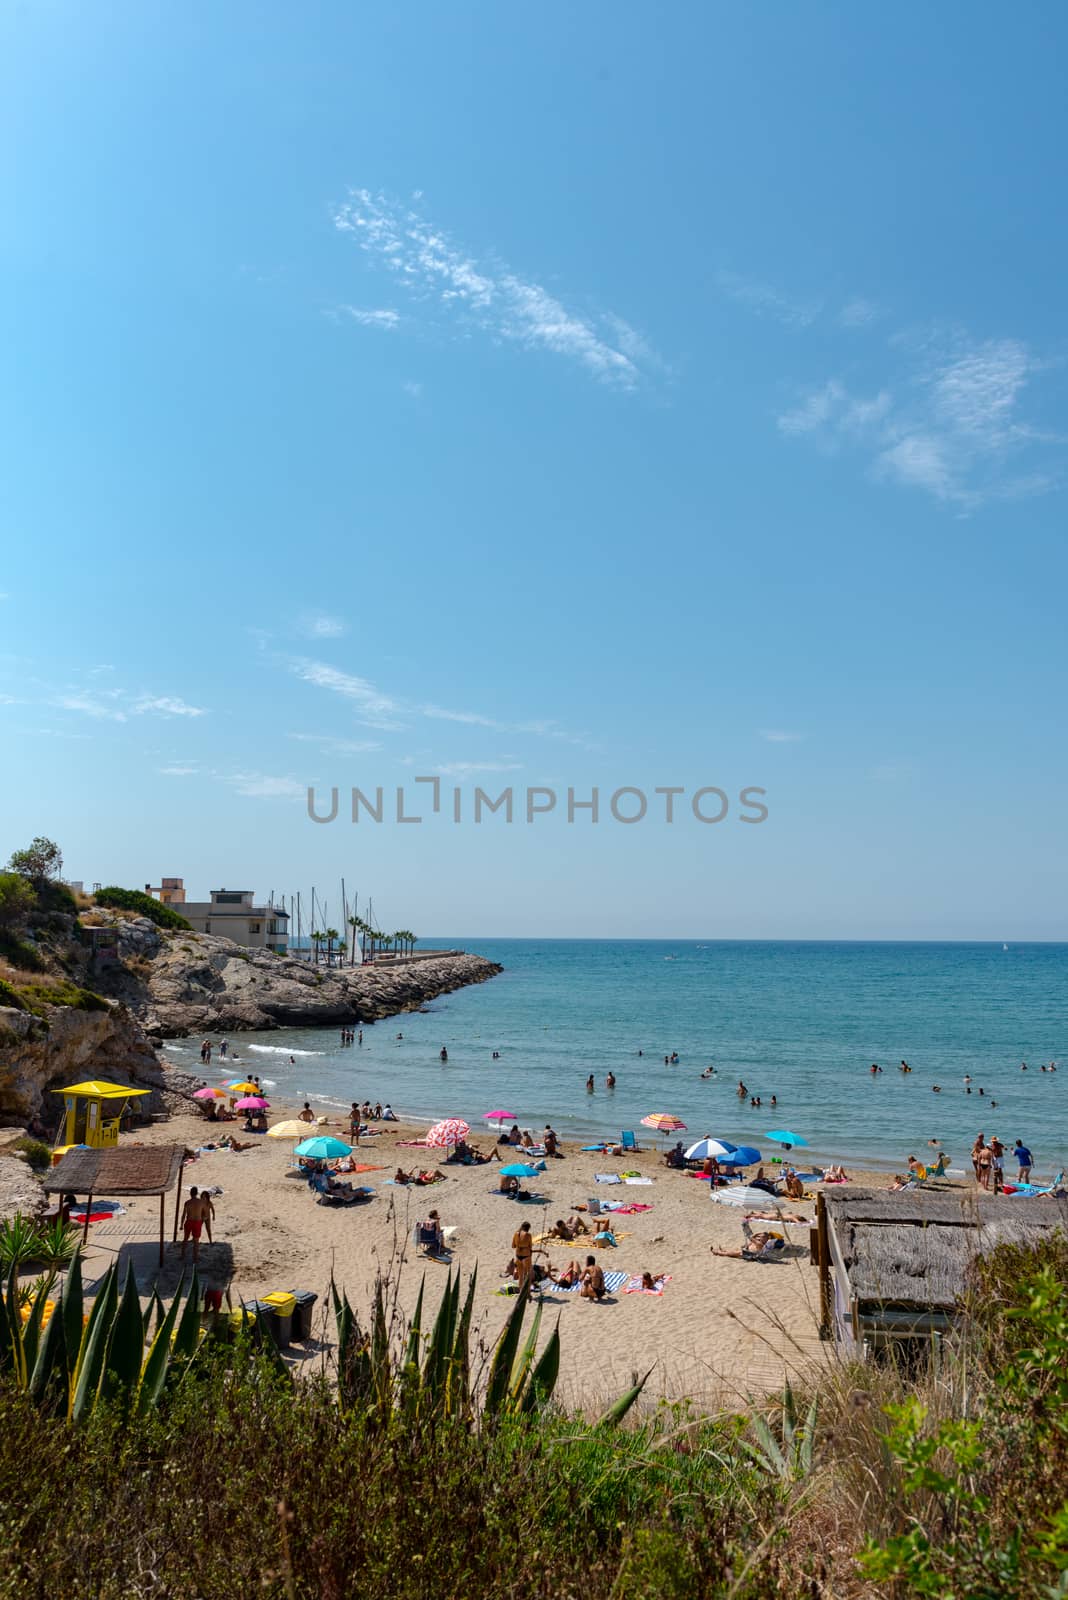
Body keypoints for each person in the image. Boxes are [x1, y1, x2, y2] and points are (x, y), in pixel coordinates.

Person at [180, 1187, 209, 1262]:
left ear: (190, 1193)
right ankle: (195, 1258)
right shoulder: (201, 1202)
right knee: (196, 1241)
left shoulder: (187, 1202)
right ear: (196, 1193)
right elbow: (206, 1214)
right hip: (197, 1222)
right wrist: (203, 1219)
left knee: (185, 1239)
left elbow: (183, 1215)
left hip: (189, 1221)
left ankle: (182, 1256)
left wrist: (181, 1225)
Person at [512, 1222, 534, 1287]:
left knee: (520, 1276)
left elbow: (513, 1246)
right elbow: (530, 1246)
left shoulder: (516, 1234)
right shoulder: (528, 1235)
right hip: (526, 1256)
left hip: (518, 1256)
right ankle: (528, 1293)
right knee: (528, 1275)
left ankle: (521, 1291)